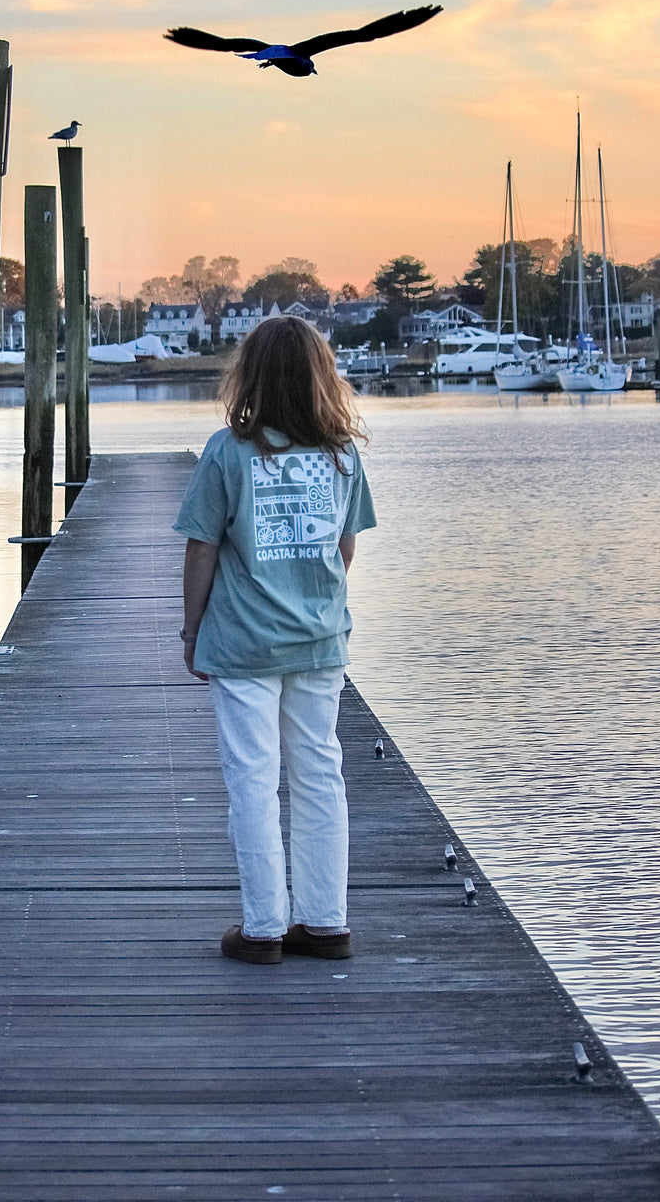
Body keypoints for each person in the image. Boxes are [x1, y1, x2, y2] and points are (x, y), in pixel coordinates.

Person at [173, 315, 376, 965]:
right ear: (323, 377)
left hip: (243, 643)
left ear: (250, 376)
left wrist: (192, 630)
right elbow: (344, 550)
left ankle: (263, 928)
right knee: (320, 775)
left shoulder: (228, 452)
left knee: (253, 781)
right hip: (317, 640)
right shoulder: (343, 454)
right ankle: (326, 922)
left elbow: (202, 546)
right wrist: (312, 603)